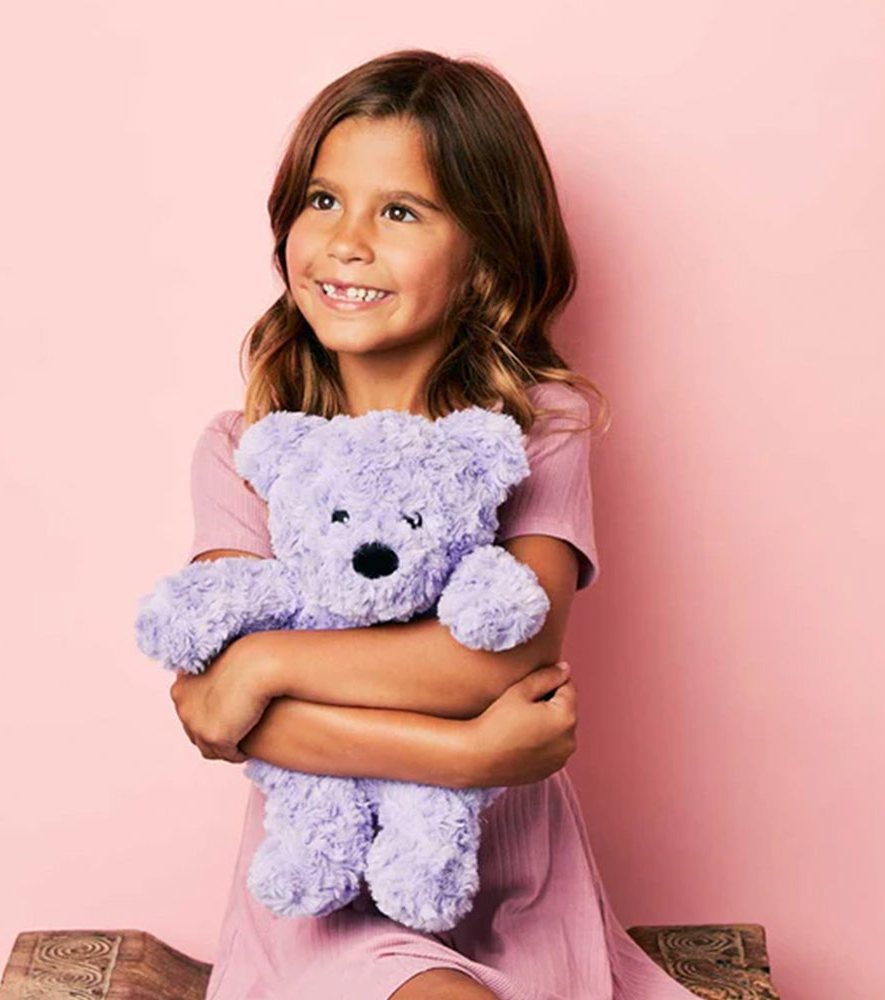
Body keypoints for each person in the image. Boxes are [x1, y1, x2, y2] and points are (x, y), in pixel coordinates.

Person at [167, 49, 697, 1000]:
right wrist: (468, 754)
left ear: (487, 249)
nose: (346, 242)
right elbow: (226, 720)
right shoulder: (246, 451)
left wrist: (264, 663)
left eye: (400, 211)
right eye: (322, 200)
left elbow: (499, 657)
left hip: (517, 894)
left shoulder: (541, 428)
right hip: (327, 905)